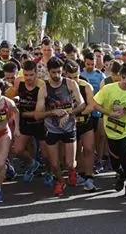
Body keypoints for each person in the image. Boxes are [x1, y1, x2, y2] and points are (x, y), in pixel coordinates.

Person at [35, 57, 85, 197]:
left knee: (70, 163)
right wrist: (52, 112)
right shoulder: (44, 89)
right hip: (52, 128)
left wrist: (68, 114)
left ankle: (71, 171)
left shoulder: (70, 84)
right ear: (48, 72)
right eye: (53, 72)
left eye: (59, 72)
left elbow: (82, 105)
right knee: (55, 164)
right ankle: (60, 181)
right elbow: (37, 115)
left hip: (69, 127)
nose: (56, 75)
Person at [93, 64, 126, 199]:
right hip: (111, 131)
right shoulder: (108, 89)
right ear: (119, 77)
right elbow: (94, 104)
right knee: (115, 163)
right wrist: (109, 112)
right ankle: (120, 174)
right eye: (124, 77)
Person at [11, 61, 47, 183]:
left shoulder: (42, 85)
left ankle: (49, 172)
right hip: (24, 121)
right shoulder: (18, 81)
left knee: (46, 154)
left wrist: (24, 113)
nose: (28, 78)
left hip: (40, 122)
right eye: (26, 75)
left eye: (31, 75)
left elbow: (38, 114)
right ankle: (32, 164)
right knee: (17, 149)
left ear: (36, 74)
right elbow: (12, 97)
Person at [64, 60, 97, 192]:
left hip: (85, 122)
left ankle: (89, 177)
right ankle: (78, 173)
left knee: (88, 149)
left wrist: (75, 113)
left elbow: (91, 105)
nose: (74, 80)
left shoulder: (86, 86)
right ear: (65, 75)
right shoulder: (60, 87)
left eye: (76, 77)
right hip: (68, 125)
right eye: (70, 78)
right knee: (75, 152)